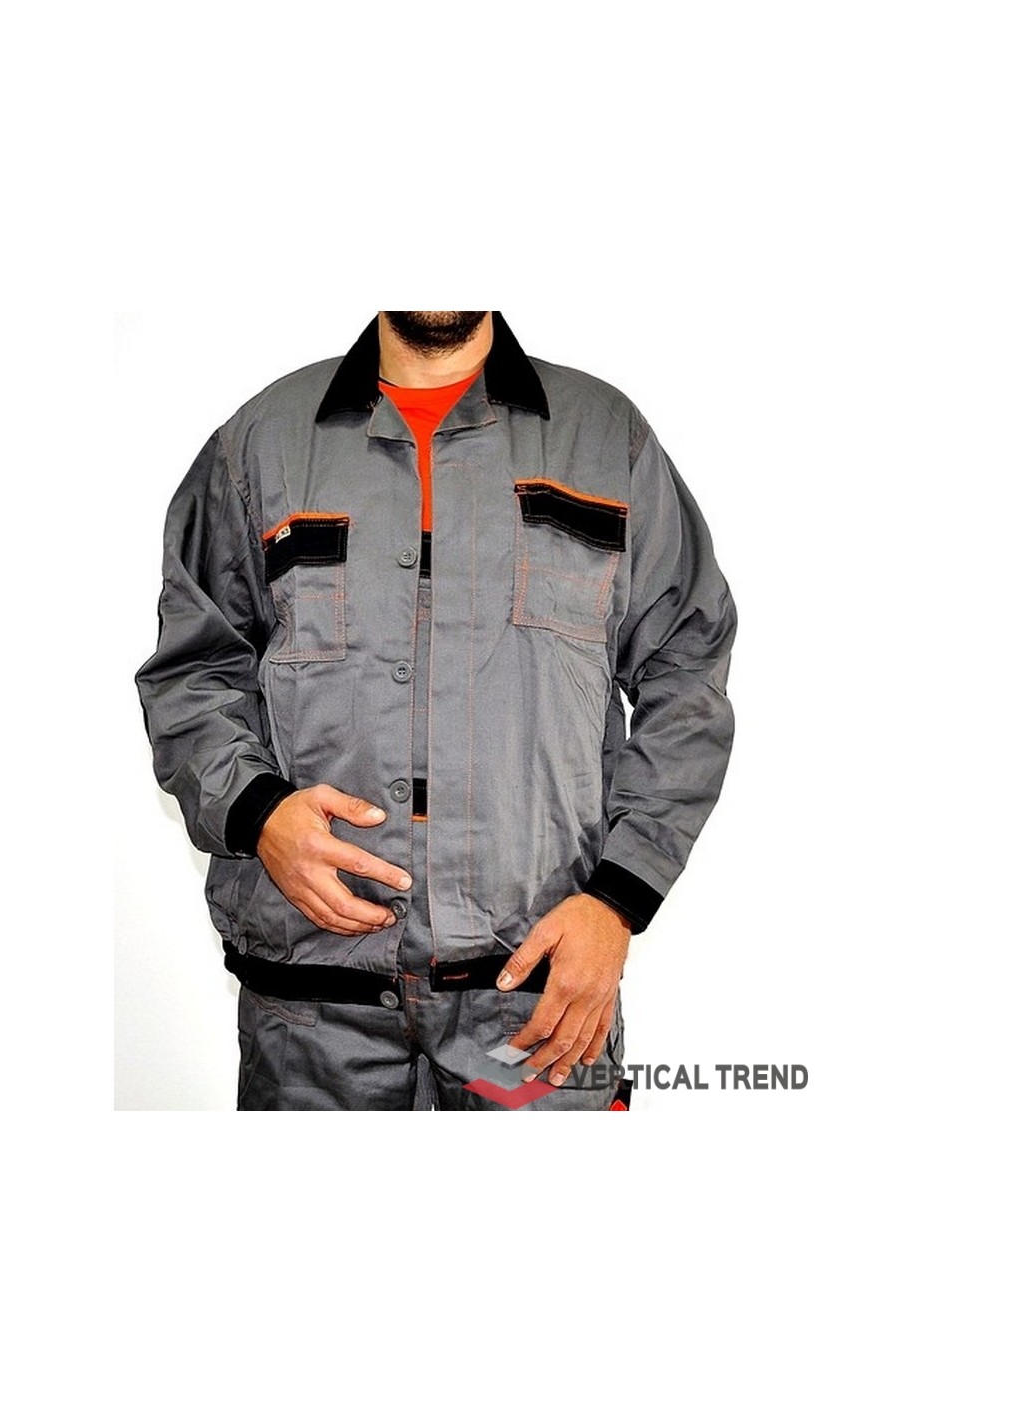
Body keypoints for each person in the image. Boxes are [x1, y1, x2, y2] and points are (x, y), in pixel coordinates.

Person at [135, 311, 736, 1110]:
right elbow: (192, 670)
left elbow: (687, 670)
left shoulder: (604, 438)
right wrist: (257, 812)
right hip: (311, 1005)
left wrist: (618, 901)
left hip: (537, 996)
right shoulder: (262, 442)